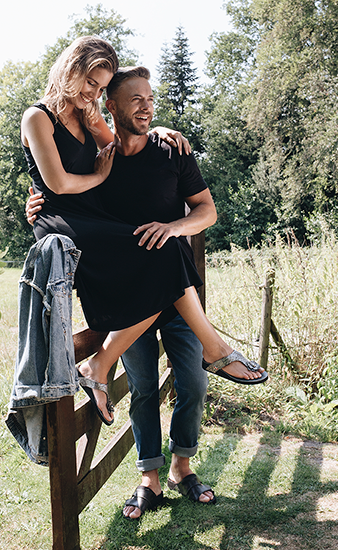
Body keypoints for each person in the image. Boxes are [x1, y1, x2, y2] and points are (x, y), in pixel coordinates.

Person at [24, 55, 267, 516]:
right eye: (131, 99)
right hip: (130, 291)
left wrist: (175, 225)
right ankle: (149, 477)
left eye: (150, 100)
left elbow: (206, 211)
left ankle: (182, 466)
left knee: (192, 382)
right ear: (110, 107)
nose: (146, 107)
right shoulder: (102, 155)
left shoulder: (170, 151)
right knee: (142, 390)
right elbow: (61, 182)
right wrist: (41, 202)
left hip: (174, 294)